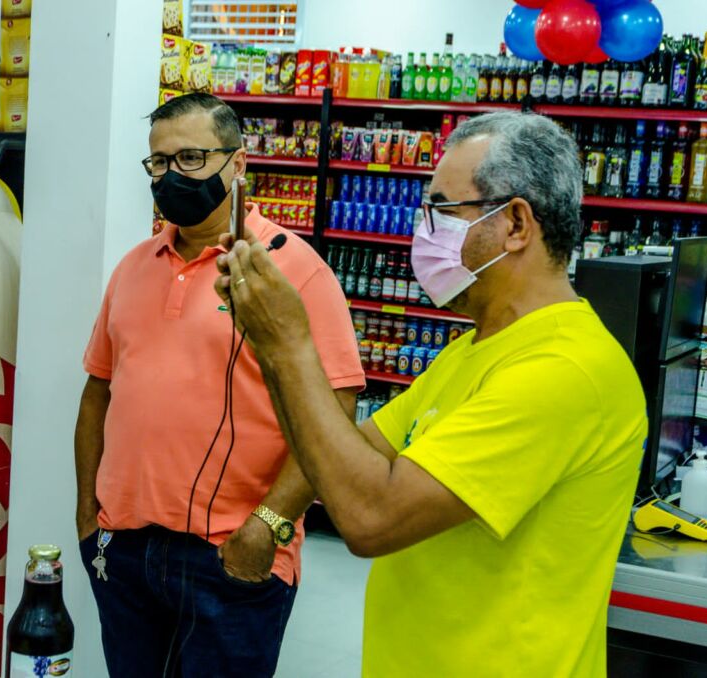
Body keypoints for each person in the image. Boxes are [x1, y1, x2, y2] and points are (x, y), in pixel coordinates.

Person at [214, 111, 648, 677]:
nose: (423, 231)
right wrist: (267, 340)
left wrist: (290, 344)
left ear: (516, 223)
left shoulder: (563, 369)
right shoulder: (475, 350)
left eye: (442, 210)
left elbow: (370, 518)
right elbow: (345, 460)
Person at [75, 93, 365, 676]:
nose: (170, 175)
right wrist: (88, 516)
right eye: (159, 163)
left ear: (237, 164)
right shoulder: (133, 267)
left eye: (190, 159)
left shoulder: (292, 267)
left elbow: (335, 410)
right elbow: (99, 392)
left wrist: (270, 527)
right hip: (124, 549)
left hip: (232, 554)